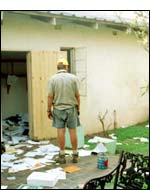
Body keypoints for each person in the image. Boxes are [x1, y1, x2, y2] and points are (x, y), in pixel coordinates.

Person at [47, 58, 80, 164]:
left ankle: (62, 156)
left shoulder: (52, 79)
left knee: (60, 131)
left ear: (57, 67)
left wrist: (48, 110)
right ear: (67, 67)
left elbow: (50, 96)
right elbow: (77, 95)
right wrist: (78, 108)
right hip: (71, 108)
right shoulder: (73, 78)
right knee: (73, 131)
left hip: (58, 109)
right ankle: (75, 155)